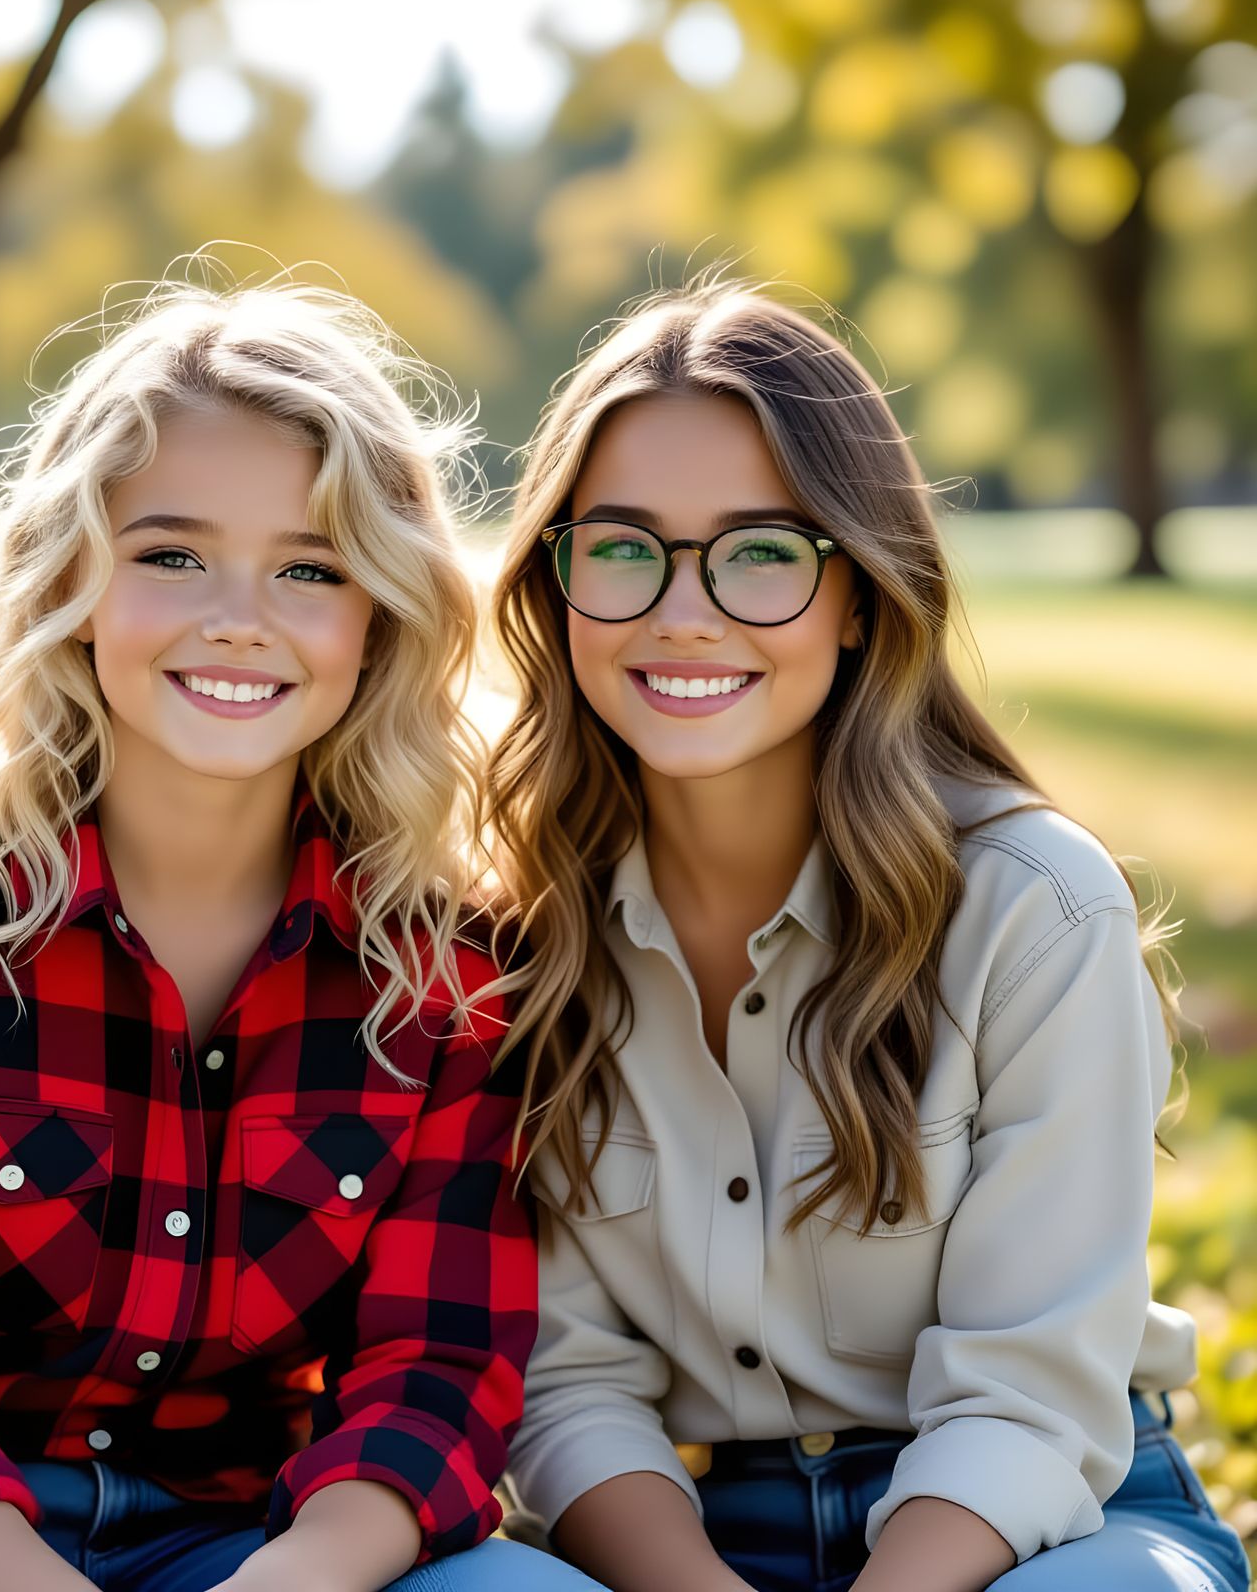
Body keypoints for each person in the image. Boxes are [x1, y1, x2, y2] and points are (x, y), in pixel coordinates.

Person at [0, 277, 582, 1592]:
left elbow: (437, 1377)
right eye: (171, 556)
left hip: (268, 1538)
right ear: (73, 581)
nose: (241, 616)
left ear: (380, 618)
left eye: (311, 569)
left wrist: (289, 1582)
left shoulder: (448, 968)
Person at [486, 279, 1251, 1592]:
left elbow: (1028, 1398)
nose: (683, 609)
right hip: (680, 1539)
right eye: (621, 545)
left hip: (1040, 1527)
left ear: (860, 593)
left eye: (763, 551)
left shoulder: (1034, 907)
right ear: (555, 581)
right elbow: (563, 1381)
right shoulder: (513, 933)